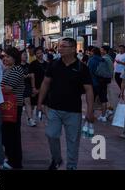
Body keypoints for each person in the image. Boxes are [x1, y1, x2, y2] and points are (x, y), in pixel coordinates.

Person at [37, 38, 95, 170]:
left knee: (73, 141)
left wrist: (90, 111)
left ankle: (71, 166)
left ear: (73, 49)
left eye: (64, 46)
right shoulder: (53, 64)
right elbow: (45, 83)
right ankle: (56, 159)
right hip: (54, 108)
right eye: (60, 46)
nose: (60, 48)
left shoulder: (82, 68)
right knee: (51, 134)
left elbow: (89, 90)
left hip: (73, 111)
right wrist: (39, 103)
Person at [1, 47, 26, 169]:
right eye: (4, 56)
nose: (5, 58)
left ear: (14, 58)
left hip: (14, 106)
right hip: (7, 106)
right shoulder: (8, 69)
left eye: (8, 57)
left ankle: (15, 161)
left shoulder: (17, 70)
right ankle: (11, 158)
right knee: (7, 133)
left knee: (13, 134)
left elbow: (8, 88)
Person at [29, 47, 49, 119]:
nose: (39, 54)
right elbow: (32, 76)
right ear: (35, 55)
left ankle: (47, 119)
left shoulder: (47, 64)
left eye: (40, 52)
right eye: (37, 53)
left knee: (46, 104)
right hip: (36, 86)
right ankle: (31, 119)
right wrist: (33, 88)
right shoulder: (32, 64)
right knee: (33, 104)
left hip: (45, 88)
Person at [98, 46, 114, 121]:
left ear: (105, 51)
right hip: (106, 79)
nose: (100, 51)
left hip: (104, 79)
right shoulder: (106, 58)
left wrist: (109, 76)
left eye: (101, 50)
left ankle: (105, 113)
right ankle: (108, 110)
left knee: (104, 96)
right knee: (105, 95)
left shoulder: (106, 59)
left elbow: (110, 69)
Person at [20, 50, 36, 127]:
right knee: (19, 104)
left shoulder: (29, 66)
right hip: (18, 87)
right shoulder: (16, 66)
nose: (26, 56)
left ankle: (30, 119)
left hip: (27, 86)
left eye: (26, 55)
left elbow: (32, 77)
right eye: (24, 55)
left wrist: (33, 87)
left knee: (28, 102)